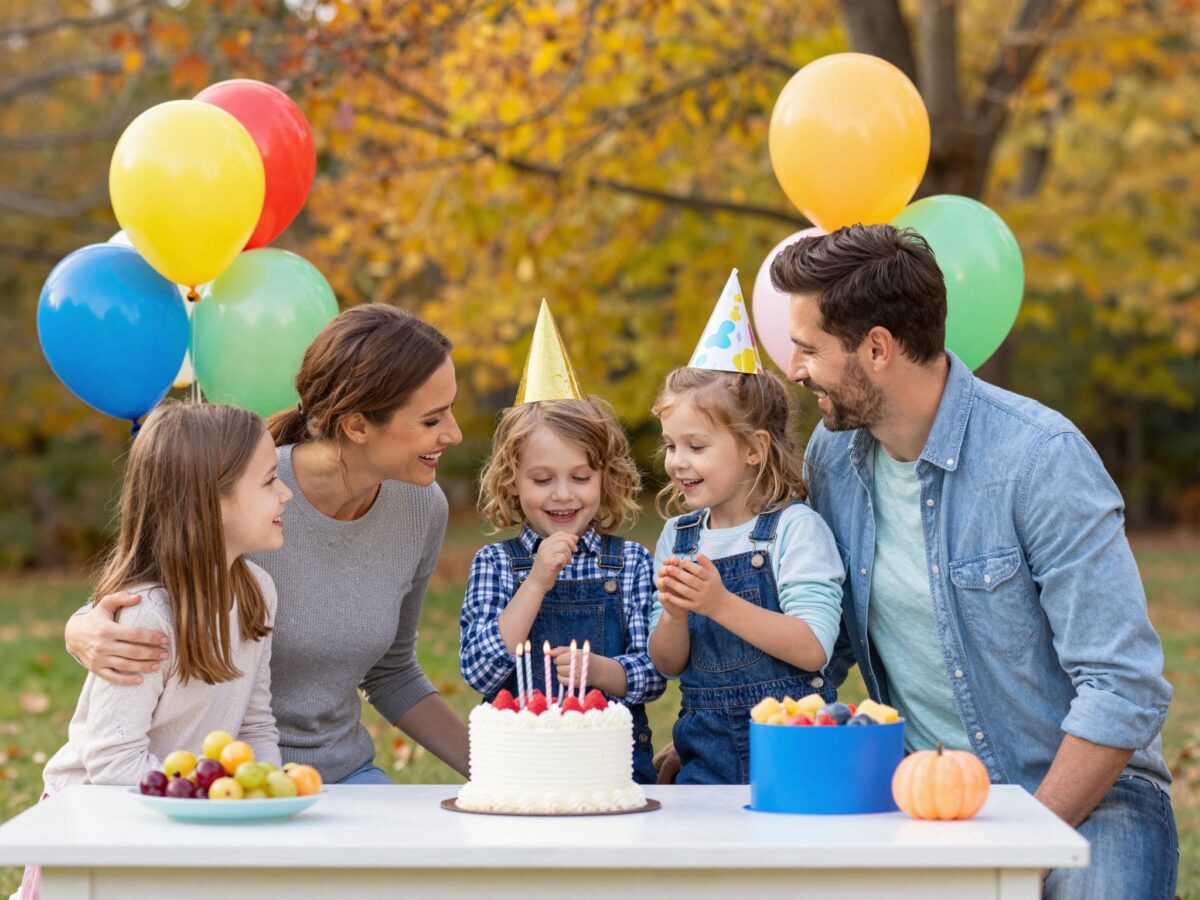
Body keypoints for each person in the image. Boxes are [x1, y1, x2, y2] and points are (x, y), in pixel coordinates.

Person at [772, 223, 1177, 899]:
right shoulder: (833, 457)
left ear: (876, 348)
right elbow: (820, 643)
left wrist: (1023, 857)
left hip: (1091, 798)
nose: (794, 367)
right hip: (923, 796)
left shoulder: (1038, 458)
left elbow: (1123, 686)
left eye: (808, 348)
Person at [65, 305, 470, 785]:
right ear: (358, 426)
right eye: (432, 420)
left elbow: (392, 671)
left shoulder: (421, 507)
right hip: (217, 783)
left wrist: (502, 774)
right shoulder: (244, 499)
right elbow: (149, 588)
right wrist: (82, 628)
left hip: (336, 775)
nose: (455, 433)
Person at [18, 402, 289, 900]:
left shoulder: (258, 591)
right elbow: (111, 759)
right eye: (270, 480)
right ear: (214, 501)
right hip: (93, 825)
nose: (286, 493)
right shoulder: (147, 616)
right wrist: (209, 796)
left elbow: (255, 726)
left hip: (177, 814)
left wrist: (263, 797)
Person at [648, 366, 844, 784]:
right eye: (670, 445)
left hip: (795, 746)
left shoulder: (796, 529)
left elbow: (812, 648)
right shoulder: (678, 538)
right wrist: (673, 616)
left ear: (754, 448)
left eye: (696, 446)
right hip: (704, 752)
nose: (677, 462)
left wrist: (719, 604)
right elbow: (667, 664)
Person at [458, 393, 666, 784]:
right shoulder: (495, 564)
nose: (563, 494)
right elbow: (480, 672)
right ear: (512, 481)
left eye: (581, 477)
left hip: (611, 770)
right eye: (542, 479)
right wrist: (535, 582)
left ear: (606, 478)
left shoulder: (630, 562)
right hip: (518, 773)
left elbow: (655, 674)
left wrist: (602, 671)